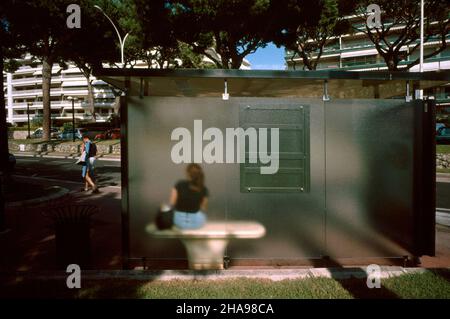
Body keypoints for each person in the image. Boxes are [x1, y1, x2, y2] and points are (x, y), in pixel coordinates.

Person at [170, 164, 208, 229]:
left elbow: (172, 202)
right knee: (202, 216)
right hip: (196, 223)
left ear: (187, 173)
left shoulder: (179, 184)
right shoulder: (204, 189)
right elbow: (203, 208)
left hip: (179, 222)